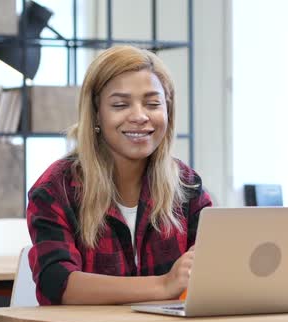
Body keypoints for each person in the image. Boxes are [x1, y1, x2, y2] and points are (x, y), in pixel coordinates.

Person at [26, 45, 212, 305]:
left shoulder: (186, 183)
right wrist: (164, 284)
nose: (139, 116)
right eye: (120, 104)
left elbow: (213, 268)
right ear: (96, 114)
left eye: (153, 103)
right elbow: (58, 284)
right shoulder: (57, 188)